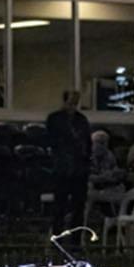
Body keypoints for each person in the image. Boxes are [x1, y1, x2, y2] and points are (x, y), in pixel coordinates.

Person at [45, 90, 92, 230]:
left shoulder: (79, 120)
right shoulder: (57, 119)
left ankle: (71, 235)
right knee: (61, 204)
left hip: (76, 167)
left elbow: (87, 142)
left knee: (77, 205)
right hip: (64, 166)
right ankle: (60, 233)